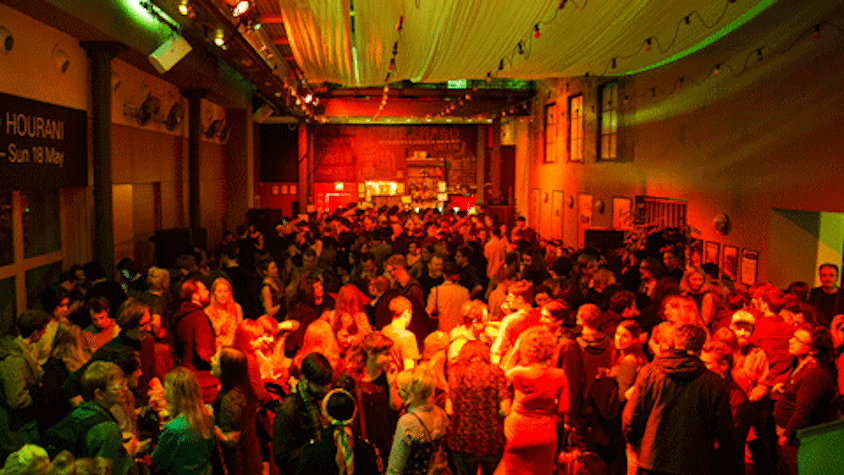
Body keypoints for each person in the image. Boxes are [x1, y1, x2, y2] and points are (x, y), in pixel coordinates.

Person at [622, 323, 735, 475]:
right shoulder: (713, 383)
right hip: (695, 464)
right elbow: (724, 431)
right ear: (701, 346)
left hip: (652, 461)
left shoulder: (650, 373)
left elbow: (630, 418)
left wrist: (637, 446)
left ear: (674, 342)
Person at [498, 326, 568, 475]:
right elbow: (563, 408)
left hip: (517, 430)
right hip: (545, 432)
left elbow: (501, 374)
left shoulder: (520, 373)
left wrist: (515, 349)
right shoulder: (559, 375)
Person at [772, 325, 839, 475]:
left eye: (797, 340)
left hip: (797, 440)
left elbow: (805, 410)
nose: (791, 341)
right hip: (792, 438)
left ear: (812, 349)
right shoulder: (803, 367)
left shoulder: (814, 374)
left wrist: (786, 435)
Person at [338, 333, 403, 470]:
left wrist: (392, 385)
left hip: (385, 439)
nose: (389, 359)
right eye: (385, 354)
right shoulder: (351, 378)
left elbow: (396, 406)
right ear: (371, 353)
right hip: (360, 440)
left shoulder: (388, 375)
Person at [446, 341, 510, 475]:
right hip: (491, 440)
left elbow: (449, 410)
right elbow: (505, 409)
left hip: (462, 440)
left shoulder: (455, 372)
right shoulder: (496, 372)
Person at [72, 361, 138, 475]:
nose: (125, 389)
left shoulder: (80, 413)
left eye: (124, 383)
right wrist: (128, 452)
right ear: (99, 394)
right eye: (118, 386)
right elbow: (110, 471)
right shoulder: (107, 429)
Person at [273, 352, 334, 475]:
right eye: (320, 385)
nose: (326, 389)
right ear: (304, 379)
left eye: (328, 384)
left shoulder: (320, 399)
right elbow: (281, 456)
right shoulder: (289, 409)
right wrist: (314, 450)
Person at [0, 309, 50, 454]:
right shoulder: (15, 359)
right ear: (35, 332)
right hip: (16, 427)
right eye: (43, 331)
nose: (44, 335)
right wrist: (35, 396)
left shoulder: (23, 349)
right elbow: (16, 399)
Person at [700, 340, 753, 475]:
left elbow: (727, 443)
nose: (702, 368)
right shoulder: (710, 389)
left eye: (707, 363)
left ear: (724, 365)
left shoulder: (737, 400)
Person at [151, 367, 215, 475]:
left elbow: (158, 462)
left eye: (166, 388)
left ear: (174, 394)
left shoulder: (173, 428)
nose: (163, 393)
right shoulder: (208, 413)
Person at [386, 367, 450, 475]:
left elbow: (395, 469)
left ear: (411, 393)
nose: (398, 391)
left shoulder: (408, 422)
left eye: (401, 388)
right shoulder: (441, 414)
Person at [212, 347, 262, 475]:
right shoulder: (241, 389)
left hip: (237, 465)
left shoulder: (231, 399)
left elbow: (231, 439)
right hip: (248, 460)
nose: (211, 360)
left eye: (216, 359)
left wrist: (209, 425)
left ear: (226, 368)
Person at [38, 322, 92, 434]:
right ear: (78, 340)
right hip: (67, 425)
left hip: (60, 425)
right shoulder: (60, 367)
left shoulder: (52, 365)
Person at [172, 279, 218, 403]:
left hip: (186, 375)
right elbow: (203, 350)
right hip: (203, 380)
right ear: (195, 296)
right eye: (204, 290)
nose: (208, 292)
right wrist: (217, 363)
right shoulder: (198, 317)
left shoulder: (180, 314)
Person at [426, 262, 471, 334]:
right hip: (460, 332)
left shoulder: (436, 291)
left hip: (442, 333)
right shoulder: (465, 292)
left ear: (444, 275)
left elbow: (429, 312)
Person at [381, 297, 420, 370]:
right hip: (401, 380)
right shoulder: (407, 337)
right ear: (406, 313)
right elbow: (409, 370)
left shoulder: (384, 331)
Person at [205, 277, 244, 349]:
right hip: (217, 350)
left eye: (225, 291)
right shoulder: (207, 312)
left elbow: (241, 332)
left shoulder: (236, 308)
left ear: (230, 292)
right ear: (214, 294)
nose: (223, 295)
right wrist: (219, 324)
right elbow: (207, 337)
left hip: (234, 349)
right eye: (219, 291)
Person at [807, 263, 842, 329]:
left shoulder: (842, 296)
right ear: (820, 277)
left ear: (837, 277)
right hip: (816, 331)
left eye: (831, 275)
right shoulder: (814, 293)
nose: (827, 278)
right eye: (824, 275)